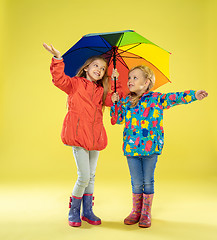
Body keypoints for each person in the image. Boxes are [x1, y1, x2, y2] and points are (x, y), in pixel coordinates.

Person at [111, 65, 208, 228]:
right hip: (131, 149)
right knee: (136, 182)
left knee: (147, 181)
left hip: (151, 149)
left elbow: (174, 97)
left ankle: (146, 212)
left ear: (147, 81)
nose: (130, 81)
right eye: (129, 78)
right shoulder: (127, 101)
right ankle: (136, 211)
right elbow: (117, 119)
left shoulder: (156, 98)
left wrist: (193, 95)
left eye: (135, 77)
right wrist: (115, 104)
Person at [43, 43, 121, 227]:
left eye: (103, 69)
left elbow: (112, 101)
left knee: (92, 176)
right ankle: (73, 210)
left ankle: (88, 211)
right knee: (84, 176)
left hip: (95, 137)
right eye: (96, 66)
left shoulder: (101, 91)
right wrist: (57, 58)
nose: (100, 70)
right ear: (86, 67)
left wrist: (116, 87)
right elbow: (59, 79)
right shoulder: (75, 84)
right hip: (78, 136)